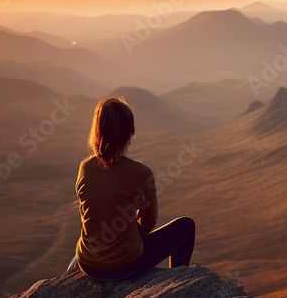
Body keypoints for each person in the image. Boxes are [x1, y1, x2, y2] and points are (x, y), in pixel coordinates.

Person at [68, 97, 195, 280]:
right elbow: (149, 224)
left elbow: (90, 212)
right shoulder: (141, 173)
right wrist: (128, 233)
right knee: (186, 226)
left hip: (87, 263)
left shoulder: (85, 167)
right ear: (130, 131)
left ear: (97, 131)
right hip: (123, 268)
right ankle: (179, 284)